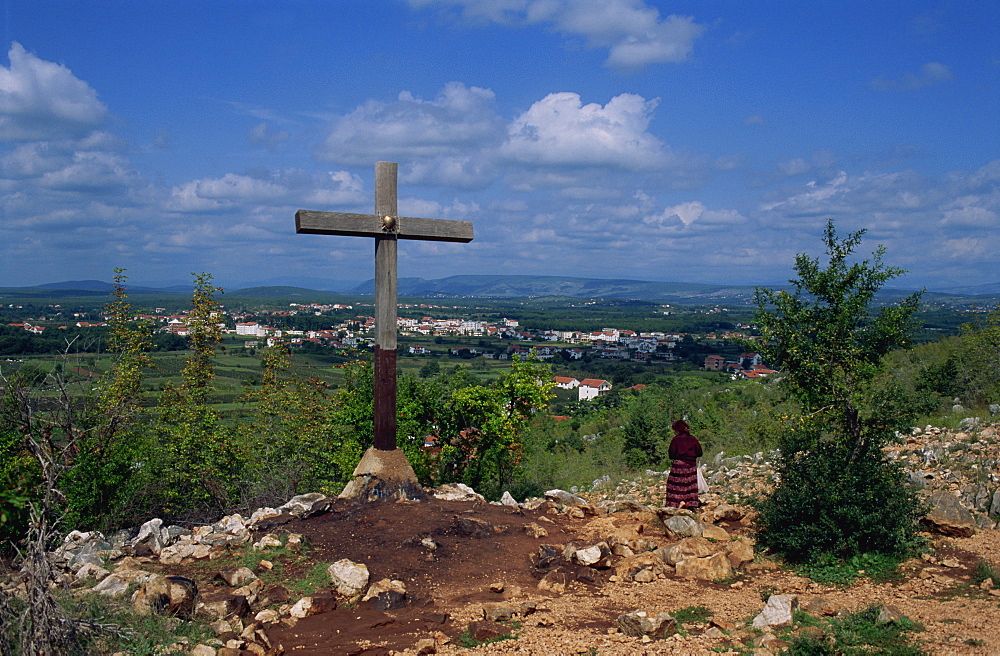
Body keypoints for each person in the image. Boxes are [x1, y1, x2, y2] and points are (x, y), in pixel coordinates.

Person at [664, 419, 703, 509]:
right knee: (689, 485)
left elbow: (671, 454)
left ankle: (675, 504)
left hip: (679, 465)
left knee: (675, 485)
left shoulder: (676, 440)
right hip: (691, 465)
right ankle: (689, 502)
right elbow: (699, 452)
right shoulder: (693, 439)